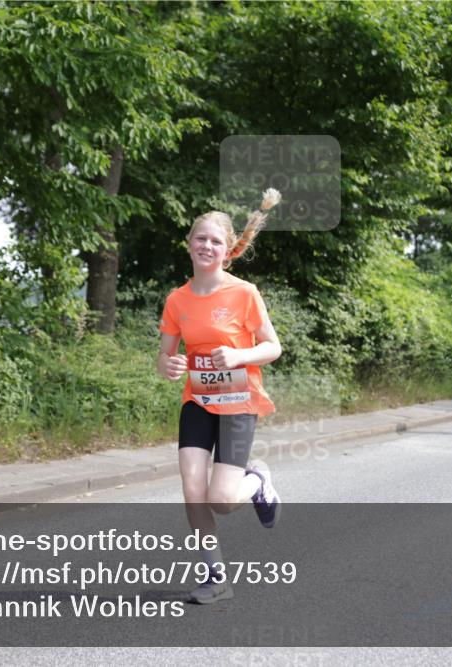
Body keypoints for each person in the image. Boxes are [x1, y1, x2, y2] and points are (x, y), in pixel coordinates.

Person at [157, 189, 283, 604]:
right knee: (193, 492)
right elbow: (165, 357)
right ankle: (216, 578)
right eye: (200, 239)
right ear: (189, 244)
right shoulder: (177, 300)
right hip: (196, 401)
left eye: (215, 241)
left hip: (237, 403)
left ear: (227, 250)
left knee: (223, 501)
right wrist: (170, 366)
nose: (206, 246)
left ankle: (258, 481)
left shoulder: (244, 293)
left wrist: (240, 354)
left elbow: (272, 347)